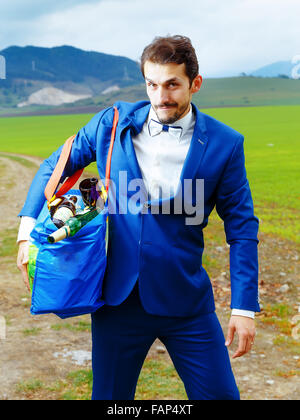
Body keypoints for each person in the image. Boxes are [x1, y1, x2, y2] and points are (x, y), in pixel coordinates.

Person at [17, 35, 260, 400]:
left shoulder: (225, 144)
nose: (161, 96)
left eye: (172, 85)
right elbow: (57, 164)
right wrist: (25, 234)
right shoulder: (112, 123)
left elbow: (241, 229)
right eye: (152, 84)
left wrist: (243, 308)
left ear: (195, 83)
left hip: (187, 304)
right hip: (118, 302)